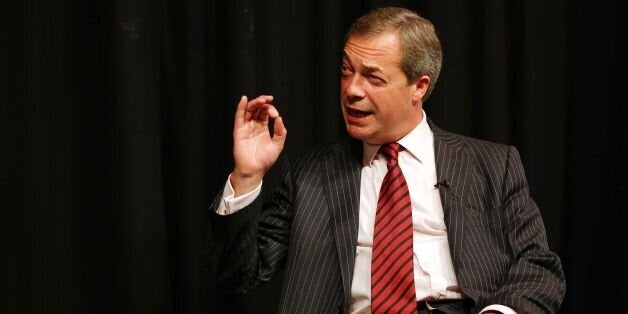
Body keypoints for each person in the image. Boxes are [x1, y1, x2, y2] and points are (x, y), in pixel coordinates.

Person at [210, 7, 565, 314]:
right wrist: (246, 175)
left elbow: (538, 265)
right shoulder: (311, 173)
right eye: (346, 71)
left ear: (419, 87)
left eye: (372, 77)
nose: (351, 89)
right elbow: (238, 274)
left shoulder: (491, 164)